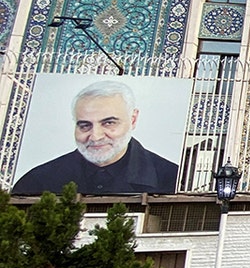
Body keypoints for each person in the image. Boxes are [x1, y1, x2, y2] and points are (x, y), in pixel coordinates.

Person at [12, 80, 178, 196]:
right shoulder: (37, 182)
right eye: (85, 126)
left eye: (108, 123)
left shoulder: (171, 179)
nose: (95, 136)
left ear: (133, 119)